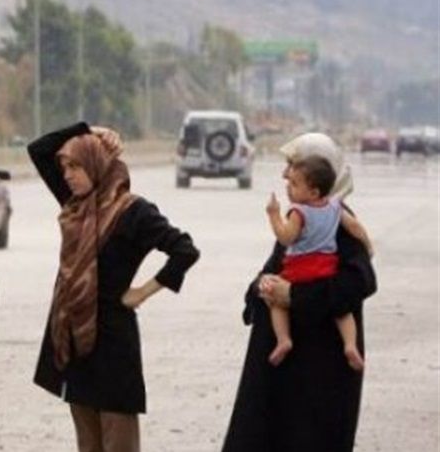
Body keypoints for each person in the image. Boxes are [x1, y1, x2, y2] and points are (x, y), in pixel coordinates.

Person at [28, 122, 200, 452]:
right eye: (65, 167)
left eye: (76, 166)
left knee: (119, 439)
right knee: (88, 443)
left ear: (97, 165)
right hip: (75, 337)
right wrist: (88, 129)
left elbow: (184, 250)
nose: (67, 175)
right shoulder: (75, 203)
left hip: (112, 340)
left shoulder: (133, 211)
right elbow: (39, 149)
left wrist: (143, 292)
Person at [222, 133, 377, 452]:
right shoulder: (300, 218)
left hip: (320, 371)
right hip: (281, 372)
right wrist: (263, 287)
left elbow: (360, 282)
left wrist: (294, 295)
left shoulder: (337, 223)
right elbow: (273, 270)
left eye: (293, 166)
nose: (284, 174)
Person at [264, 155, 372, 370]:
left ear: (314, 190)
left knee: (276, 301)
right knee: (343, 312)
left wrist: (274, 215)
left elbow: (286, 238)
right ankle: (350, 345)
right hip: (326, 266)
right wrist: (369, 247)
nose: (285, 177)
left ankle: (283, 340)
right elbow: (356, 227)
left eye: (293, 179)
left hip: (324, 359)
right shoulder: (335, 208)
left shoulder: (298, 213)